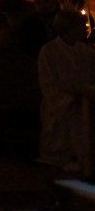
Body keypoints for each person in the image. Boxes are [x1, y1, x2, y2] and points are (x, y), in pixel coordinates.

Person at [37, 11, 95, 172]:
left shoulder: (87, 51)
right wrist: (68, 100)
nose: (85, 30)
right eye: (81, 26)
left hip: (84, 104)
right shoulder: (49, 51)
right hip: (62, 105)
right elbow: (48, 82)